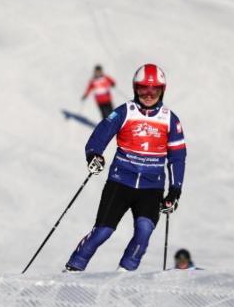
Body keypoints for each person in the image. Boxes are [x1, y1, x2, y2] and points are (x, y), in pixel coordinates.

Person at [65, 63, 187, 272]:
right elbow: (101, 134)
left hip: (151, 188)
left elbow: (177, 157)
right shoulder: (126, 111)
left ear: (162, 90)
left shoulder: (169, 119)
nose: (148, 94)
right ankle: (74, 267)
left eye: (154, 89)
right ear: (135, 89)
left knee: (144, 230)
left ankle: (125, 274)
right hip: (120, 182)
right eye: (143, 89)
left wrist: (175, 191)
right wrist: (94, 155)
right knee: (103, 231)